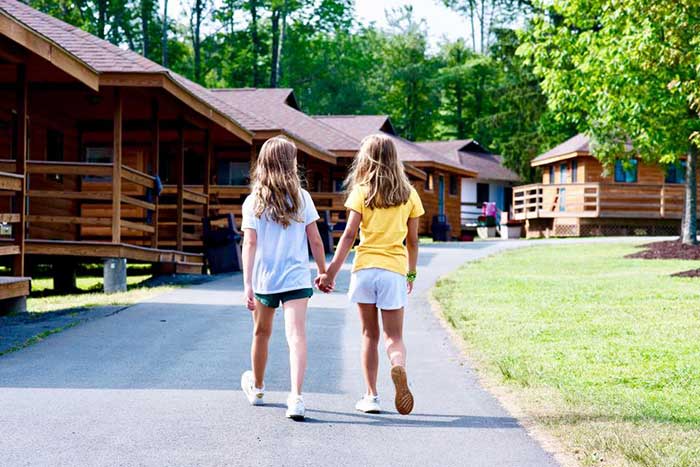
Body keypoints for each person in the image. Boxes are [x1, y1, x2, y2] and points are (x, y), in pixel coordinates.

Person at [317, 134, 424, 415]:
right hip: (393, 272)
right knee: (394, 337)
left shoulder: (361, 192)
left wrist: (330, 272)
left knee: (369, 335)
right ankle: (398, 365)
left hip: (365, 270)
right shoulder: (409, 194)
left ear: (366, 159)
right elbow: (413, 241)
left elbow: (349, 234)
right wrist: (411, 275)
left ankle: (371, 396)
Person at [240, 136, 327, 421]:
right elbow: (315, 239)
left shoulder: (254, 201)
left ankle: (259, 388)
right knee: (296, 336)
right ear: (290, 164)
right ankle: (296, 397)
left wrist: (248, 284)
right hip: (297, 279)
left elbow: (249, 244)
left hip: (266, 279)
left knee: (261, 333)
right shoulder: (302, 197)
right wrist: (322, 270)